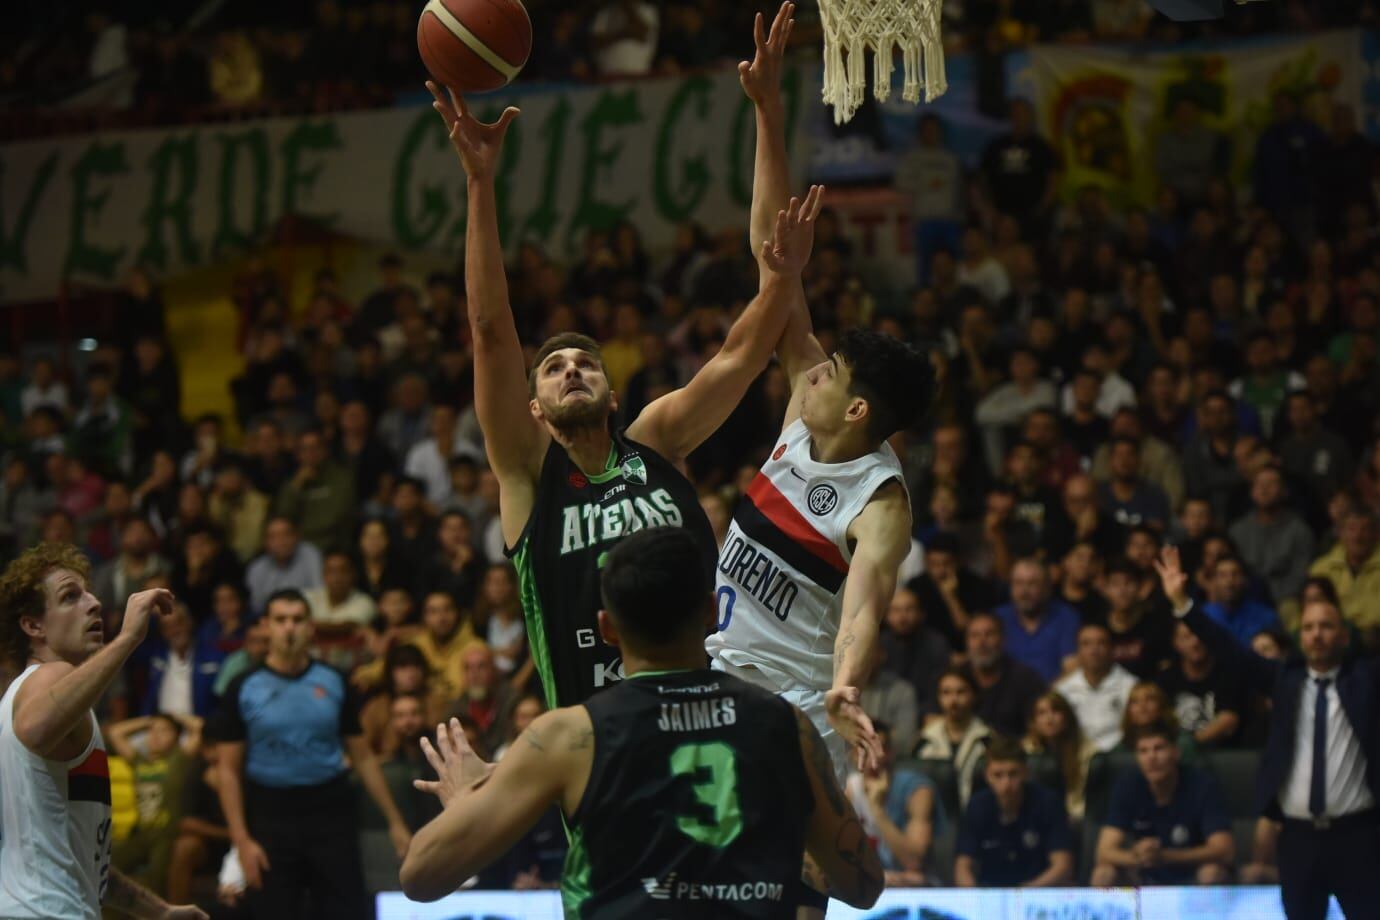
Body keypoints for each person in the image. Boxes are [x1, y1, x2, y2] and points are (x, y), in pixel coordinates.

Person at [426, 6, 809, 712]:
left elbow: (741, 355)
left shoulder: (656, 441)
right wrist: (480, 185)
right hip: (598, 744)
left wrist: (783, 274)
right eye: (555, 366)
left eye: (586, 363)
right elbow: (488, 327)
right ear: (534, 407)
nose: (572, 366)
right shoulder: (524, 473)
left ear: (611, 395)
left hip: (704, 713)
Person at [399, 526, 884, 915]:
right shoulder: (787, 726)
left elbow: (420, 877)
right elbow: (863, 886)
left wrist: (465, 801)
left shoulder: (570, 736)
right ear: (713, 612)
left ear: (607, 628)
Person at [1157, 544, 1380, 919]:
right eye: (1309, 627)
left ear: (1344, 634)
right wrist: (1184, 604)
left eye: (1326, 626)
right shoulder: (1284, 681)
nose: (1317, 634)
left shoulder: (1367, 680)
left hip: (1357, 835)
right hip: (1297, 838)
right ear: (1298, 636)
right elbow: (1228, 649)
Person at [0, 543, 206, 919]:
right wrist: (127, 639)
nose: (93, 603)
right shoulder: (51, 675)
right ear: (34, 626)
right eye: (70, 597)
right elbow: (34, 727)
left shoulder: (32, 697)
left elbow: (82, 858)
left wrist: (158, 911)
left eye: (88, 592)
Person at [215, 589, 412, 920]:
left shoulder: (334, 681)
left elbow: (363, 757)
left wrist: (395, 822)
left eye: (297, 619)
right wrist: (241, 841)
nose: (289, 628)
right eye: (280, 620)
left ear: (310, 627)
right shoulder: (242, 685)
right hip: (269, 814)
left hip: (330, 811)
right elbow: (228, 771)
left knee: (345, 911)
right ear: (265, 626)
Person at [1091, 723, 1234, 886]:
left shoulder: (1201, 785)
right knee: (1103, 874)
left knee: (1211, 873)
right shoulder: (1128, 786)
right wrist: (1139, 856)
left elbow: (1224, 850)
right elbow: (1103, 851)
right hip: (1143, 873)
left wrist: (1166, 856)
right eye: (1143, 751)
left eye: (1158, 748)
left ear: (1175, 753)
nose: (1151, 757)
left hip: (1191, 874)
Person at [954, 737, 1074, 888]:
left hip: (1038, 890)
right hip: (990, 893)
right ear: (987, 776)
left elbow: (1062, 867)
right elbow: (963, 867)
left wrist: (1024, 893)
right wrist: (974, 897)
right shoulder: (977, 806)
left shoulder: (1048, 803)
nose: (1006, 784)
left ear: (1025, 773)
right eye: (998, 775)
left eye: (1013, 774)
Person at [846, 719, 942, 886]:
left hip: (912, 888)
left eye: (880, 748)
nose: (874, 758)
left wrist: (877, 810)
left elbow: (913, 862)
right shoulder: (848, 791)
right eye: (865, 749)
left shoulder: (917, 790)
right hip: (868, 884)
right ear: (854, 755)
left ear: (891, 752)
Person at [1157, 620, 1245, 748]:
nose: (1195, 642)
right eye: (1186, 637)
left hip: (1222, 754)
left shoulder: (1228, 673)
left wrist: (1190, 744)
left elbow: (1229, 719)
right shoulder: (1166, 678)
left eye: (1199, 634)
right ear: (1175, 643)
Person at [959, 610, 1047, 738]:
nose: (982, 642)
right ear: (966, 642)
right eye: (975, 635)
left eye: (989, 634)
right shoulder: (956, 677)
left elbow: (1037, 728)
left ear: (1003, 639)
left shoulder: (1025, 679)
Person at [915, 667, 992, 809]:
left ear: (973, 695)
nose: (953, 700)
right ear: (938, 697)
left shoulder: (988, 740)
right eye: (946, 692)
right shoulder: (924, 741)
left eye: (960, 692)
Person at [1054, 622, 1137, 752]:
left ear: (1112, 649)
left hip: (1120, 754)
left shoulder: (1131, 686)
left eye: (1101, 643)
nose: (1094, 650)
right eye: (1086, 644)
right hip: (1076, 755)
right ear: (1078, 650)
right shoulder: (1063, 690)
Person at [994, 558, 1081, 682]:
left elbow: (1071, 669)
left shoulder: (1066, 617)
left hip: (1053, 695)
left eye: (1032, 583)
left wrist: (1048, 698)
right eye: (1018, 583)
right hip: (1006, 697)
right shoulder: (997, 618)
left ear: (1047, 588)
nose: (1024, 591)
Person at [1023, 691, 1097, 820]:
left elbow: (1081, 800)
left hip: (1074, 819)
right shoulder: (1026, 751)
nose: (1049, 718)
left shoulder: (1087, 751)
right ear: (1034, 721)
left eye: (1055, 711)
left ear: (1067, 717)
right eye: (1042, 713)